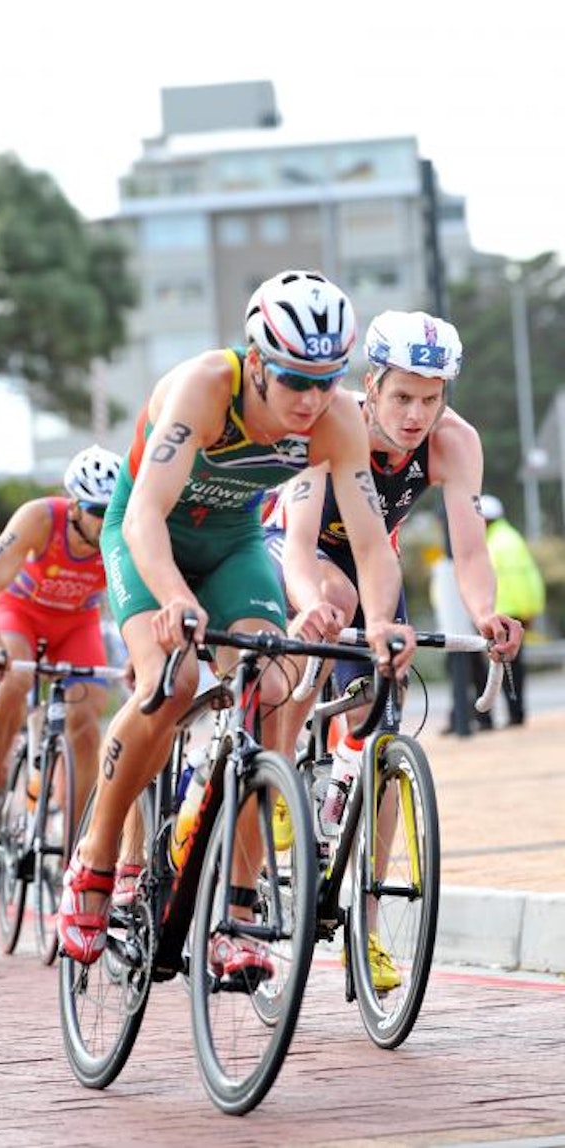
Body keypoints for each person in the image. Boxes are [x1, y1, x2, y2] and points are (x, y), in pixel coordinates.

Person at [55, 268, 416, 971]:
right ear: (256, 362)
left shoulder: (338, 419)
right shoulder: (203, 388)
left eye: (327, 379)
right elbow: (143, 516)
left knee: (271, 689)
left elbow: (373, 544)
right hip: (146, 537)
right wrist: (173, 599)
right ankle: (97, 859)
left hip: (233, 543)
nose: (312, 399)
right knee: (173, 679)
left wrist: (378, 623)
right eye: (293, 380)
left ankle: (237, 914)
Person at [263, 310, 525, 986]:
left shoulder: (454, 443)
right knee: (335, 611)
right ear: (371, 385)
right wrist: (312, 603)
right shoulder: (331, 423)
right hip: (297, 551)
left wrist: (488, 614)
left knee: (382, 736)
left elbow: (470, 549)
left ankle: (367, 929)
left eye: (431, 400)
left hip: (372, 562)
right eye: (403, 397)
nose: (416, 415)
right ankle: (280, 775)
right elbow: (296, 543)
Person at [0, 445, 123, 850]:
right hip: (22, 613)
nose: (107, 521)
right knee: (14, 679)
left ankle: (76, 851)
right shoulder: (39, 518)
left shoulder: (124, 528)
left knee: (86, 724)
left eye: (114, 509)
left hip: (77, 623)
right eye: (96, 511)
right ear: (74, 507)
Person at [481, 493, 545, 725]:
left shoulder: (491, 544)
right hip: (516, 612)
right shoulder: (512, 538)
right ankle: (516, 713)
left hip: (498, 613)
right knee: (514, 666)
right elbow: (530, 579)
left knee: (501, 667)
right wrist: (530, 610)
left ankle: (497, 717)